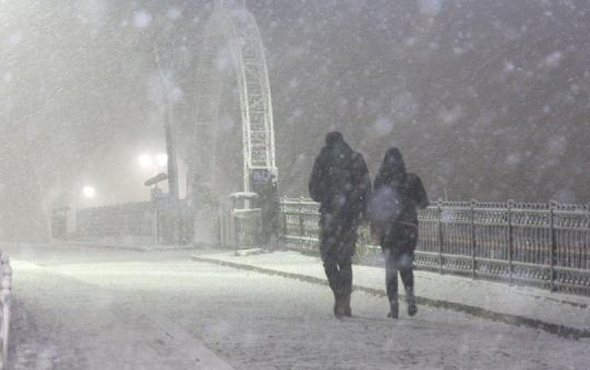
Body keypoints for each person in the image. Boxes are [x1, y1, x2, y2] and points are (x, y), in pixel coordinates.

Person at [309, 132, 371, 317]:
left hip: (329, 217)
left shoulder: (322, 159)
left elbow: (313, 189)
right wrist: (363, 210)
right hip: (350, 217)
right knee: (345, 260)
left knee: (328, 259)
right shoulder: (355, 158)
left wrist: (327, 197)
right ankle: (345, 301)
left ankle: (338, 295)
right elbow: (366, 187)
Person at [369, 147, 429, 319]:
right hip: (409, 228)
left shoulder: (381, 180)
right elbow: (424, 202)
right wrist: (410, 205)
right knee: (406, 263)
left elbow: (376, 205)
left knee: (390, 267)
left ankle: (393, 304)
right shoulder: (413, 179)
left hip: (388, 228)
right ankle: (409, 296)